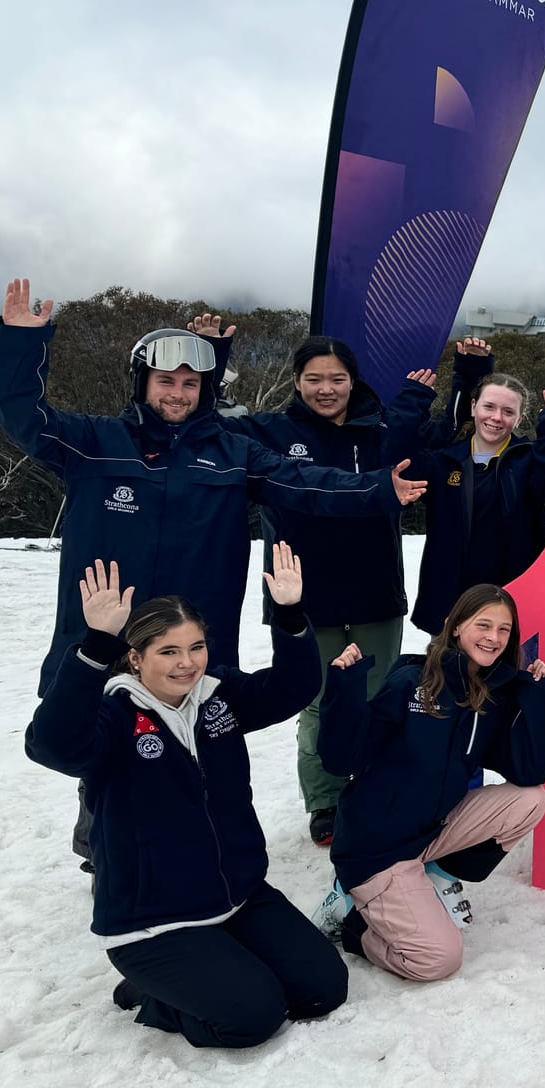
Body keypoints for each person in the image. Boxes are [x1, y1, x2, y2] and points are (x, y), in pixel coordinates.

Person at [0, 279, 422, 696]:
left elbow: (304, 481)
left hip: (197, 649)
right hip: (109, 640)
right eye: (166, 381)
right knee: (105, 759)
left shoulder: (232, 453)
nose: (178, 394)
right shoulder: (95, 443)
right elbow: (25, 415)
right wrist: (22, 345)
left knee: (203, 760)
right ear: (143, 383)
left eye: (191, 384)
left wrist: (378, 488)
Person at [25, 549, 348, 1048]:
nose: (187, 664)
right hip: (153, 922)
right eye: (168, 651)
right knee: (254, 1018)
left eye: (195, 648)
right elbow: (50, 746)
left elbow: (293, 687)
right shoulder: (113, 718)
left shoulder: (220, 698)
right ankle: (157, 994)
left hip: (236, 897)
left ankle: (217, 969)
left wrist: (288, 615)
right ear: (136, 657)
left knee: (323, 989)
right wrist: (92, 646)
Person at [205, 327, 414, 845]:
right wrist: (213, 355)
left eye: (337, 379)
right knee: (317, 701)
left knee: (375, 697)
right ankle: (325, 802)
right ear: (297, 383)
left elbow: (443, 441)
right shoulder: (269, 431)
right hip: (300, 592)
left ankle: (371, 790)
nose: (326, 388)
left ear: (353, 381)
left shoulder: (381, 429)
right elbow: (202, 423)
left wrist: (468, 379)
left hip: (374, 588)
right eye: (314, 379)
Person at [313, 583, 545, 982]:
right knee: (438, 960)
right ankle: (353, 923)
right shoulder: (412, 683)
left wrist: (537, 697)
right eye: (483, 625)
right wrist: (344, 690)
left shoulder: (490, 696)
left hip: (429, 833)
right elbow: (343, 760)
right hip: (376, 848)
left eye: (504, 629)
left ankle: (434, 873)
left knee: (530, 799)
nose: (494, 638)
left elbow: (529, 771)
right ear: (456, 626)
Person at [387, 342, 545, 636]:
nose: (496, 418)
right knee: (452, 680)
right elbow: (401, 464)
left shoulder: (530, 459)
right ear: (473, 407)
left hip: (517, 603)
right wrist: (412, 402)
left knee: (513, 680)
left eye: (508, 411)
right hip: (453, 606)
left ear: (520, 418)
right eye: (488, 406)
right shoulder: (444, 459)